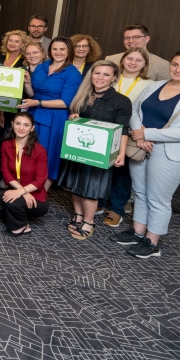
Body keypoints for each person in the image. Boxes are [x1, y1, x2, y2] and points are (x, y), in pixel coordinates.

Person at [117, 50, 180, 258]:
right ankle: (138, 232)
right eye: (175, 64)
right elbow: (134, 109)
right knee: (140, 192)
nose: (178, 70)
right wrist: (140, 136)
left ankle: (152, 243)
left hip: (170, 152)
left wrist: (148, 133)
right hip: (142, 146)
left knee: (158, 198)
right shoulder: (155, 86)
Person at [57, 60, 132, 240]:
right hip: (78, 148)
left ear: (114, 77)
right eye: (97, 73)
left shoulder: (121, 101)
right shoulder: (83, 95)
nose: (100, 77)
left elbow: (123, 129)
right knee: (75, 184)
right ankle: (79, 215)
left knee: (90, 188)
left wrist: (121, 153)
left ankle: (89, 221)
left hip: (100, 152)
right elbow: (80, 119)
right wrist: (75, 117)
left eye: (106, 74)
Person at [20, 37, 82, 189]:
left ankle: (42, 191)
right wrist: (27, 82)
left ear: (69, 51)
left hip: (55, 117)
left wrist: (38, 102)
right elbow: (33, 93)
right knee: (29, 150)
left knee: (48, 154)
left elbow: (65, 102)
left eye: (62, 49)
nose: (58, 52)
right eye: (55, 49)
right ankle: (26, 185)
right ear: (49, 51)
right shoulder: (42, 66)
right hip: (34, 113)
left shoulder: (72, 73)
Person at [102, 48, 153, 227]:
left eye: (138, 60)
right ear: (122, 60)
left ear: (145, 64)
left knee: (121, 173)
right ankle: (100, 202)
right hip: (104, 130)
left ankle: (116, 209)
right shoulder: (110, 77)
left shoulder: (149, 85)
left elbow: (146, 111)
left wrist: (141, 132)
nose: (133, 62)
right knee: (101, 169)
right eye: (129, 58)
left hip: (129, 132)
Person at [0, 112, 48, 235]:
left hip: (35, 197)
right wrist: (21, 191)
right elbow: (6, 172)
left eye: (26, 125)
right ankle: (18, 215)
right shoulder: (6, 145)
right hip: (15, 190)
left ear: (32, 128)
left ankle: (21, 227)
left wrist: (23, 192)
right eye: (18, 123)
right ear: (12, 124)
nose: (21, 128)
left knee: (11, 203)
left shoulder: (39, 150)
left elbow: (41, 180)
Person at [105, 23, 171, 81]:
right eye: (127, 38)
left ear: (147, 39)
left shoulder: (162, 65)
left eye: (136, 37)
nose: (130, 41)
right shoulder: (111, 60)